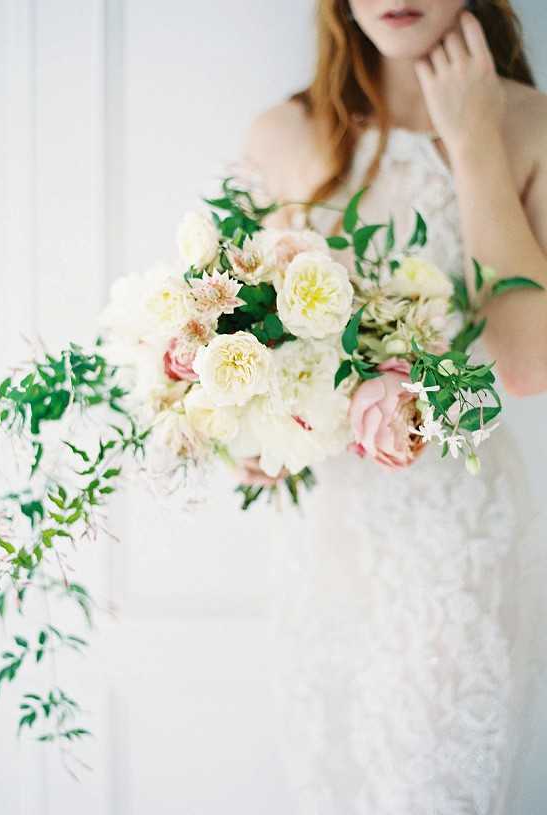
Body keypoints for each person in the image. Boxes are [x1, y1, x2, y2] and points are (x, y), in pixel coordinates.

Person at [228, 2, 547, 812]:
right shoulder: (282, 134)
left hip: (457, 555)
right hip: (320, 549)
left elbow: (525, 363)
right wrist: (247, 426)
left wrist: (473, 143)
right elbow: (243, 337)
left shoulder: (529, 128)